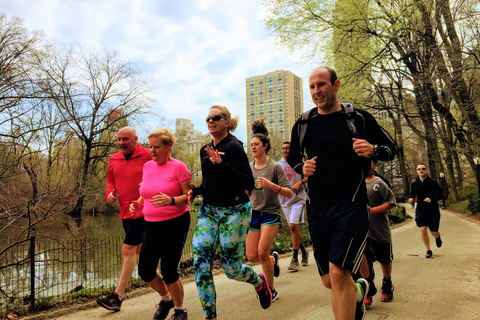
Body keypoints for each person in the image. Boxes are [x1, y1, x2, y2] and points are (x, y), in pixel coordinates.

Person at [287, 67, 396, 320]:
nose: (317, 91)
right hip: (317, 210)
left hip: (351, 207)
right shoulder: (304, 123)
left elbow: (391, 148)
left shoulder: (359, 119)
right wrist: (301, 167)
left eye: (322, 85)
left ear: (336, 86)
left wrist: (373, 150)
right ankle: (359, 291)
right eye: (312, 87)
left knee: (338, 274)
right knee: (329, 281)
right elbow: (293, 156)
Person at [188, 105, 272, 320]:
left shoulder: (234, 147)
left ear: (227, 122)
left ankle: (259, 282)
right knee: (200, 263)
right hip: (209, 211)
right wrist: (196, 190)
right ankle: (210, 316)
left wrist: (222, 163)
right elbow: (210, 182)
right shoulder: (205, 149)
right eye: (207, 118)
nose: (210, 121)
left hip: (235, 211)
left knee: (232, 269)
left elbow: (248, 182)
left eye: (216, 117)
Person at [97, 126, 166, 311]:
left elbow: (164, 171)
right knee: (141, 252)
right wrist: (109, 194)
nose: (121, 143)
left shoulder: (147, 155)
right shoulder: (113, 159)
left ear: (136, 139)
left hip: (144, 212)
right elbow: (110, 181)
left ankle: (117, 296)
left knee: (128, 249)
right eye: (119, 139)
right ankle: (170, 282)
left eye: (125, 139)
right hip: (125, 213)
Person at [129, 128, 192, 320]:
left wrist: (171, 200)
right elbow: (146, 191)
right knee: (145, 270)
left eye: (157, 147)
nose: (152, 151)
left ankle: (180, 310)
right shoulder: (148, 166)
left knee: (169, 270)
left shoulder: (179, 167)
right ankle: (166, 299)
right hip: (152, 224)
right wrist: (138, 204)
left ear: (169, 146)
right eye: (150, 147)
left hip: (176, 222)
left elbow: (188, 198)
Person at [246, 120, 293, 303]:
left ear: (265, 146)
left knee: (262, 252)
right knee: (252, 256)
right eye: (251, 145)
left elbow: (289, 192)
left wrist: (272, 185)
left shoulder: (275, 167)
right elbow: (247, 191)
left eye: (256, 144)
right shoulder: (249, 168)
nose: (253, 147)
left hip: (271, 213)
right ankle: (273, 260)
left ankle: (271, 291)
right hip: (254, 213)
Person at [360, 159, 396, 309]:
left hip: (380, 229)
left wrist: (373, 210)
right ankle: (368, 287)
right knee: (363, 258)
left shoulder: (379, 183)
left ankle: (387, 284)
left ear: (374, 165)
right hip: (362, 230)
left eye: (368, 163)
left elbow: (391, 202)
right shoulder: (356, 183)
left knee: (384, 260)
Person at [278, 142, 309, 271]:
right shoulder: (278, 165)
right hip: (284, 201)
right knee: (293, 229)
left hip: (298, 199)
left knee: (293, 226)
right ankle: (304, 251)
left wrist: (300, 182)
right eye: (283, 148)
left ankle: (295, 259)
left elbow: (308, 175)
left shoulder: (299, 162)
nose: (285, 150)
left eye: (288, 148)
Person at [408, 163, 444, 259]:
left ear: (426, 170)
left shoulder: (433, 183)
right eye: (419, 169)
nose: (421, 170)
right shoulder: (414, 184)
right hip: (421, 209)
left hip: (433, 210)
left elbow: (441, 195)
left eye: (423, 169)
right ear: (417, 170)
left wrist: (431, 199)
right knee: (423, 228)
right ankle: (428, 250)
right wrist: (411, 199)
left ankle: (437, 236)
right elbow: (412, 195)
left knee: (433, 231)